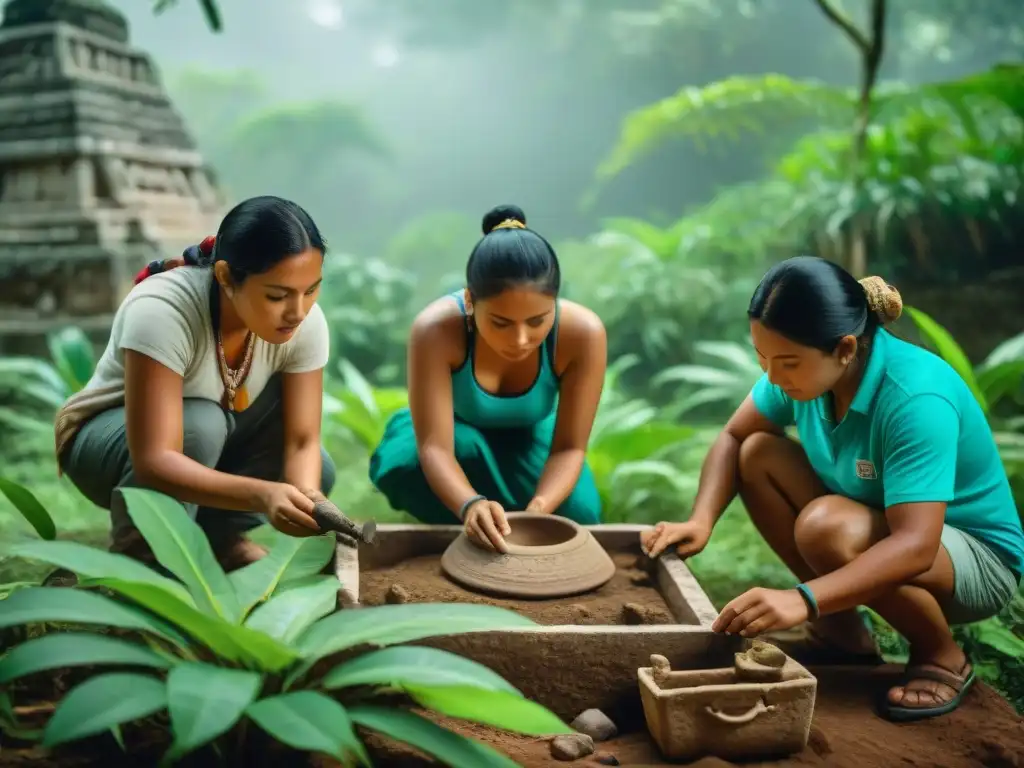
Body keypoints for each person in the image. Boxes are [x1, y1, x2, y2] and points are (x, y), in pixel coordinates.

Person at [641, 255, 1024, 723]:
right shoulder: (802, 374)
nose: (772, 378)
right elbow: (734, 436)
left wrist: (801, 599)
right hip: (875, 523)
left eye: (786, 363)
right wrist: (701, 519)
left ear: (845, 349)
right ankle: (843, 634)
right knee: (758, 453)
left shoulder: (914, 397)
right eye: (763, 359)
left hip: (972, 560)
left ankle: (940, 654)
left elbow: (916, 545)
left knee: (825, 529)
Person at [54, 195, 337, 572]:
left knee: (318, 466)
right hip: (109, 446)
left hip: (205, 442)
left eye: (311, 290)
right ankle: (141, 559)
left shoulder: (305, 323)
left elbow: (302, 439)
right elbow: (155, 459)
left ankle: (219, 542)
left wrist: (306, 498)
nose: (298, 311)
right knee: (201, 425)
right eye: (276, 295)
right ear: (224, 277)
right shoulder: (163, 310)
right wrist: (263, 494)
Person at [369, 205, 607, 552]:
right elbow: (435, 447)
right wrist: (469, 504)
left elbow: (570, 448)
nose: (521, 339)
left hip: (531, 441)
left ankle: (500, 522)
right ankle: (457, 533)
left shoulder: (583, 334)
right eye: (501, 323)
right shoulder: (434, 330)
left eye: (538, 320)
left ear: (555, 302)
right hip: (451, 433)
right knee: (409, 467)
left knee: (580, 513)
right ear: (469, 300)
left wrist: (538, 511)